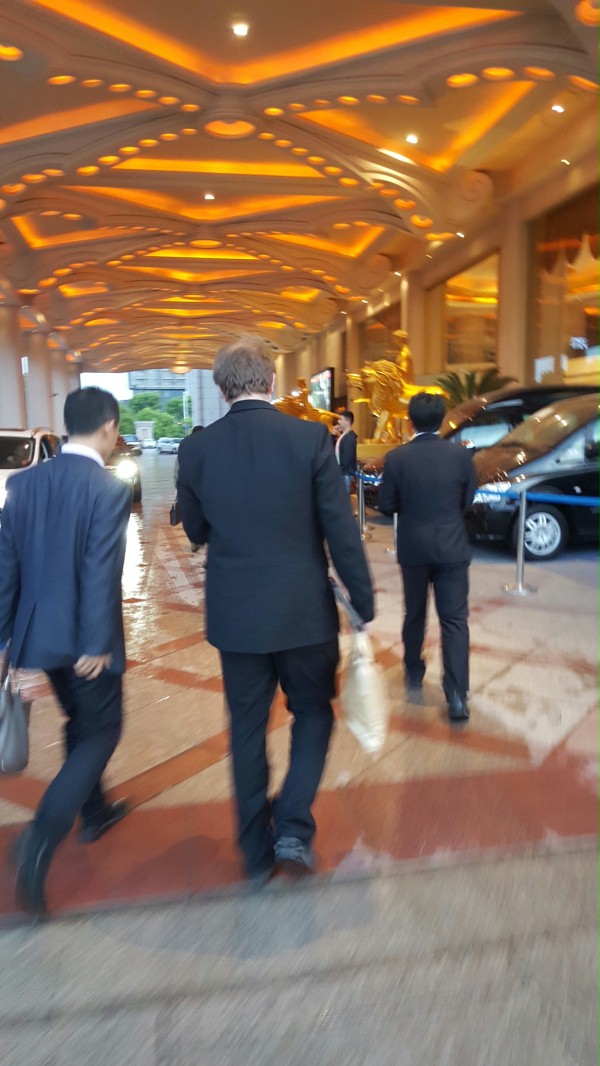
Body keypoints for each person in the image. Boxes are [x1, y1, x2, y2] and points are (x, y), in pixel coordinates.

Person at [177, 336, 374, 882]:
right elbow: (340, 528)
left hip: (237, 616)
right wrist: (362, 599)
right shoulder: (309, 439)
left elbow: (195, 529)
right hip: (303, 612)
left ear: (222, 390)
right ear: (270, 382)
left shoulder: (197, 450)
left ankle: (254, 852)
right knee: (313, 712)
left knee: (246, 727)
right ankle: (291, 825)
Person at [0, 387, 131, 917]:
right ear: (108, 427)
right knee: (102, 730)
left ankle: (96, 811)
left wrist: (5, 642)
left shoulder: (24, 484)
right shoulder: (108, 488)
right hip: (83, 641)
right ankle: (40, 839)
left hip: (38, 636)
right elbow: (101, 568)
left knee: (82, 719)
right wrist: (96, 642)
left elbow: (6, 567)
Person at [378, 392, 477, 721]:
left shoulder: (396, 458)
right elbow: (468, 500)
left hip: (414, 549)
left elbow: (386, 504)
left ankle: (413, 671)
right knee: (455, 620)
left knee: (414, 613)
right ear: (443, 420)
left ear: (410, 422)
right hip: (452, 547)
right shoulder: (461, 456)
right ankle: (457, 695)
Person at [335, 410, 358, 493]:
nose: (338, 421)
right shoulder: (343, 436)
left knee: (343, 497)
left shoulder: (349, 438)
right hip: (343, 473)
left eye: (341, 419)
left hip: (345, 473)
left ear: (347, 422)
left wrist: (338, 471)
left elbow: (346, 458)